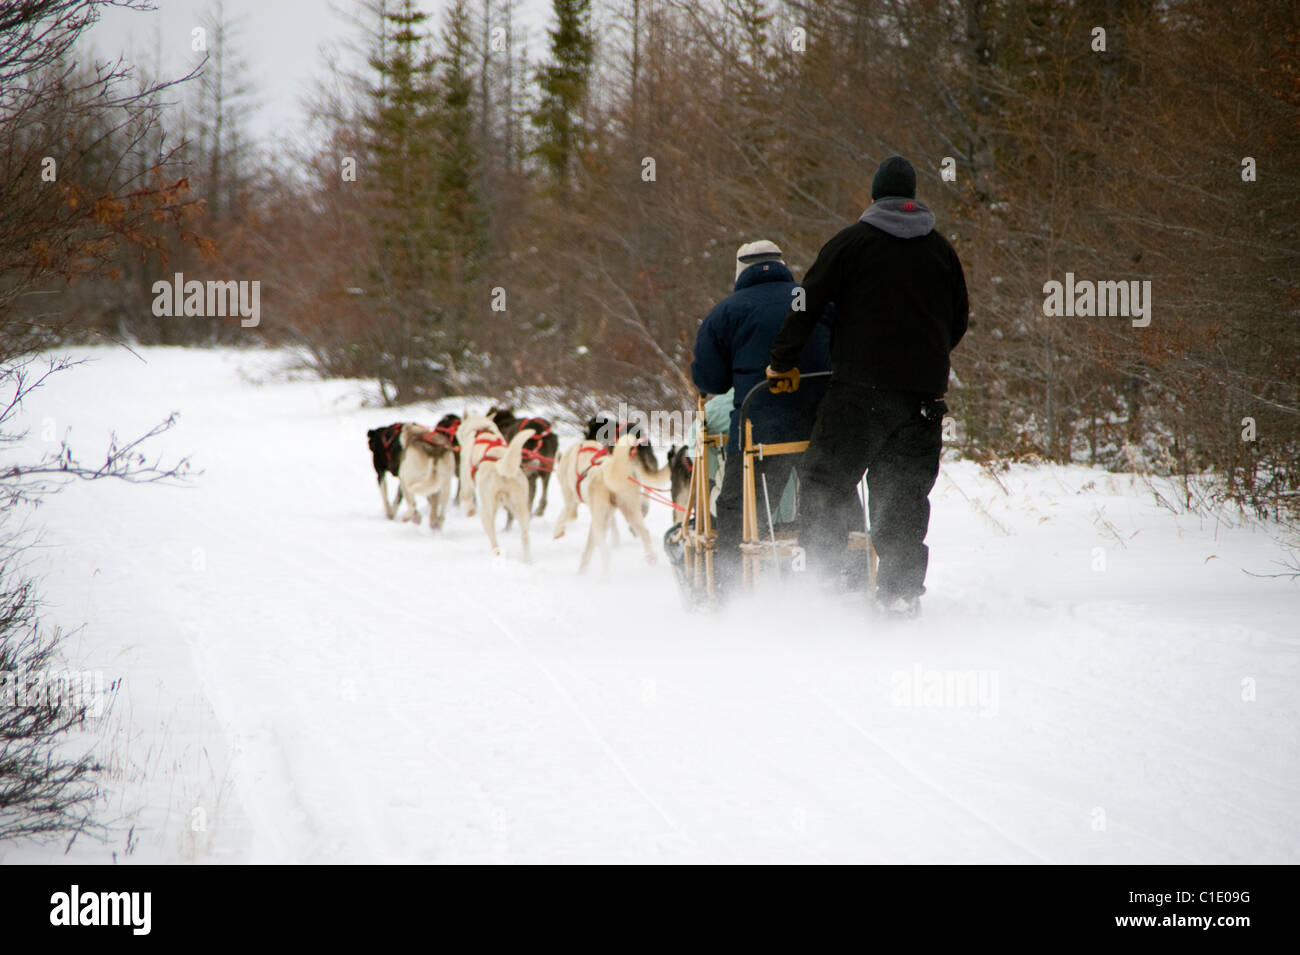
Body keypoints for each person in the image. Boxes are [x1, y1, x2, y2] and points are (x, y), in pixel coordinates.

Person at [765, 156, 969, 617]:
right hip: (921, 400)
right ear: (913, 196)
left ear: (875, 195)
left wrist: (782, 361)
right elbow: (958, 320)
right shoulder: (942, 252)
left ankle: (830, 582)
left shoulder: (850, 244)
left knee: (824, 480)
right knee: (903, 494)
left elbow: (805, 302)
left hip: (858, 394)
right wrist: (926, 360)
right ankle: (898, 594)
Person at [691, 240, 831, 597]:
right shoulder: (817, 299)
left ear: (740, 271)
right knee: (835, 490)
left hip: (760, 429)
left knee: (734, 504)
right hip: (823, 423)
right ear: (783, 264)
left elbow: (710, 381)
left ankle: (728, 591)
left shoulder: (727, 312)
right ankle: (845, 576)